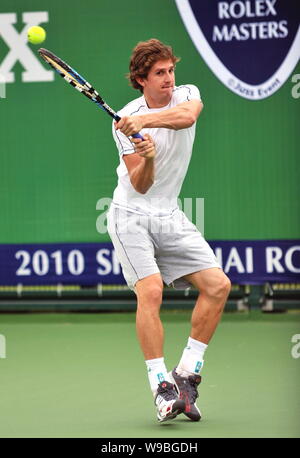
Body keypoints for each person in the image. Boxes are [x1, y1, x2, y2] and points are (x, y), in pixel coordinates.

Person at [107, 38, 231, 423]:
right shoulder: (122, 121)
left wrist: (144, 123)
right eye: (159, 73)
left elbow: (187, 117)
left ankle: (187, 372)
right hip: (130, 215)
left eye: (170, 70)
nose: (168, 79)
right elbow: (140, 185)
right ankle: (161, 385)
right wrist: (146, 157)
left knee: (218, 285)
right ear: (141, 79)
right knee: (152, 290)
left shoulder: (186, 94)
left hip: (170, 214)